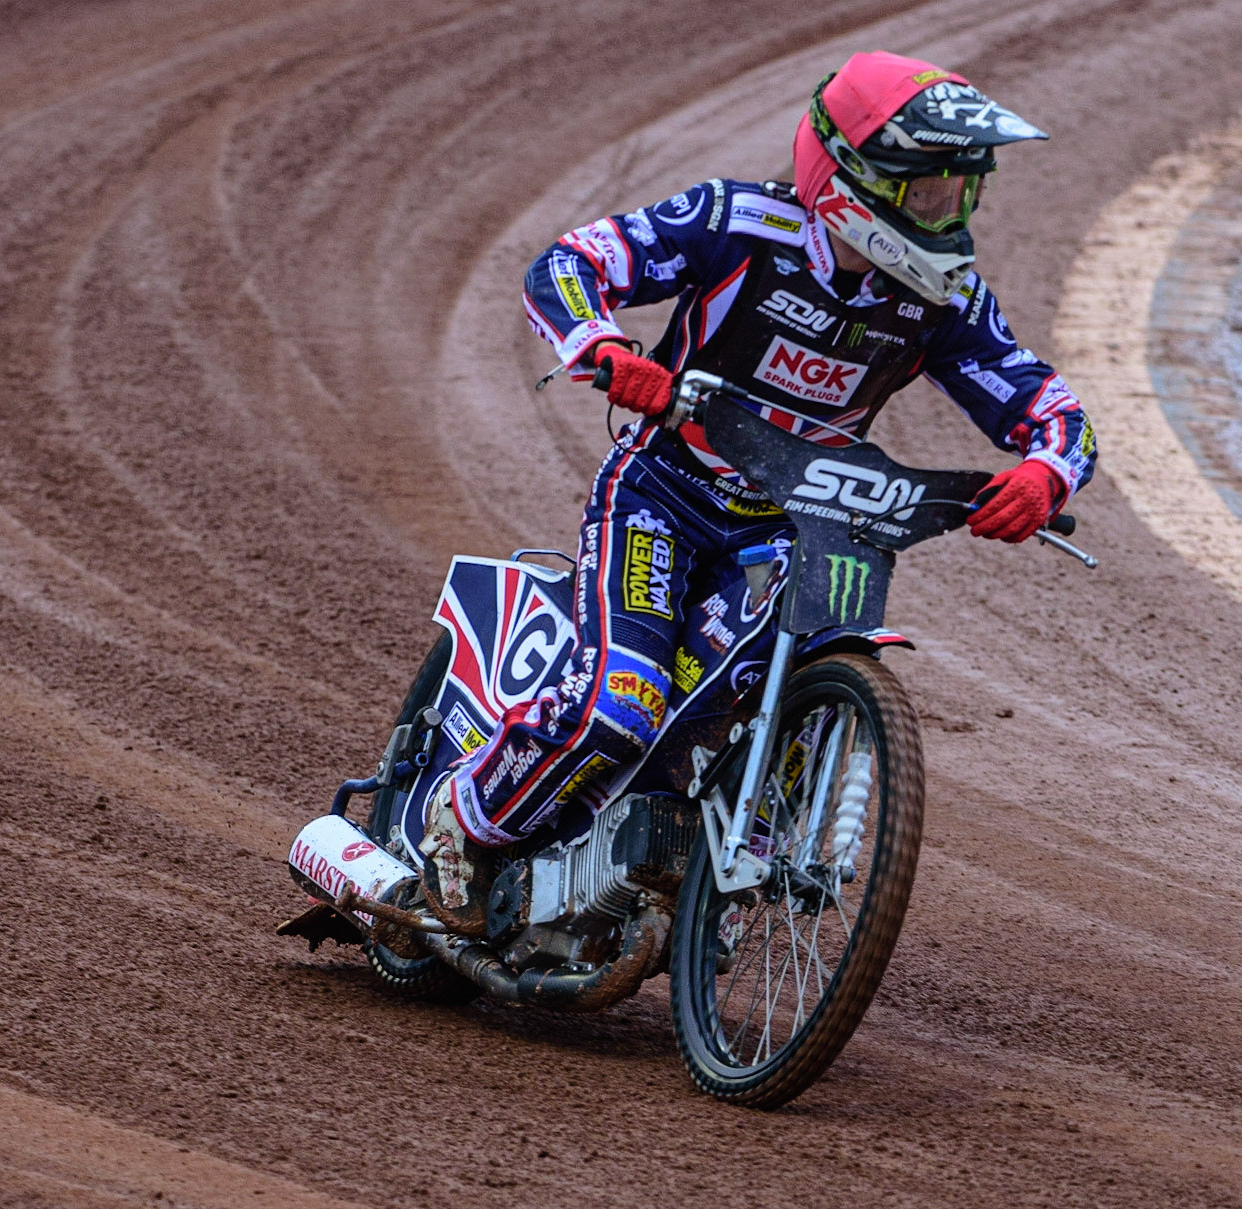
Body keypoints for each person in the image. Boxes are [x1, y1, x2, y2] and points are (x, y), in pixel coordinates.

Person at [415, 51, 1098, 931]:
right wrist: (605, 350)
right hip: (665, 493)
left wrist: (1047, 471)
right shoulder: (738, 223)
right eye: (930, 192)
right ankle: (460, 822)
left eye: (962, 193)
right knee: (621, 706)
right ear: (858, 176)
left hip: (792, 526)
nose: (949, 212)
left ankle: (706, 851)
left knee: (748, 689)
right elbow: (572, 261)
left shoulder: (944, 301)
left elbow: (1052, 406)